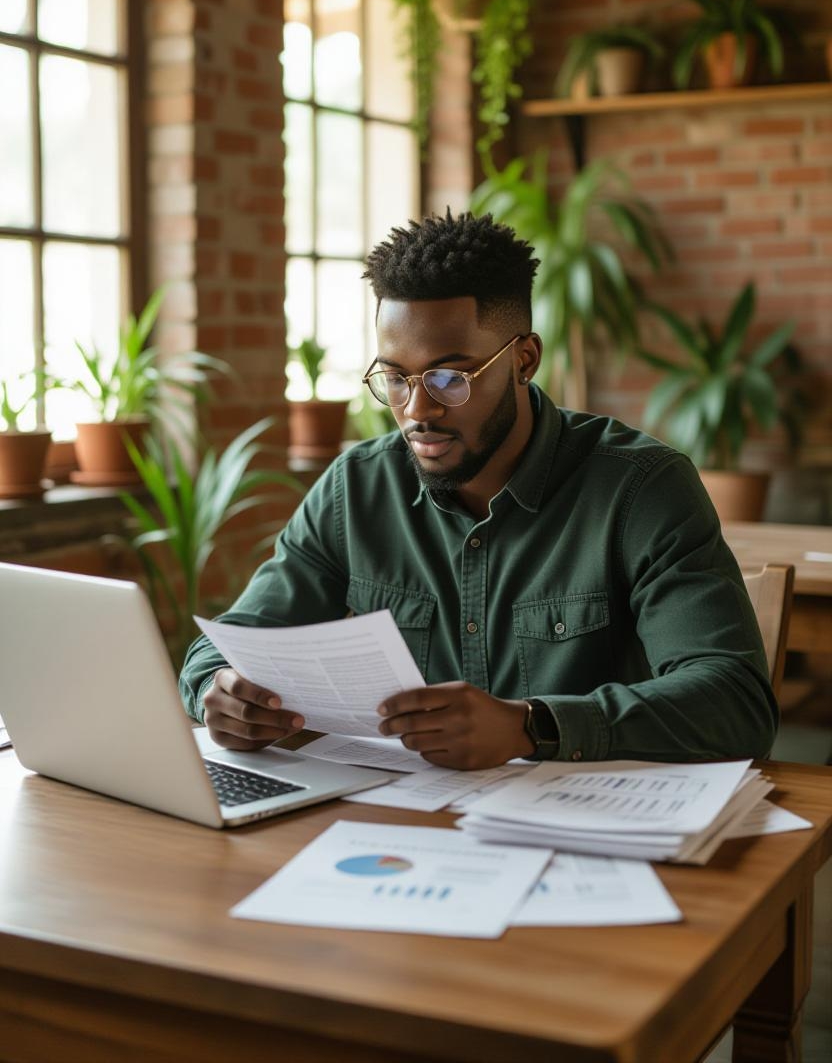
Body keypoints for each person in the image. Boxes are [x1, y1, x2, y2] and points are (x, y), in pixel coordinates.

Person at [179, 210, 777, 769]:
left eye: (449, 376)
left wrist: (532, 726)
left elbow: (734, 702)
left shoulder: (640, 489)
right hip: (400, 833)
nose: (418, 410)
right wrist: (219, 691)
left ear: (524, 360)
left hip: (589, 835)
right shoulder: (355, 488)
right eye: (395, 377)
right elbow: (232, 643)